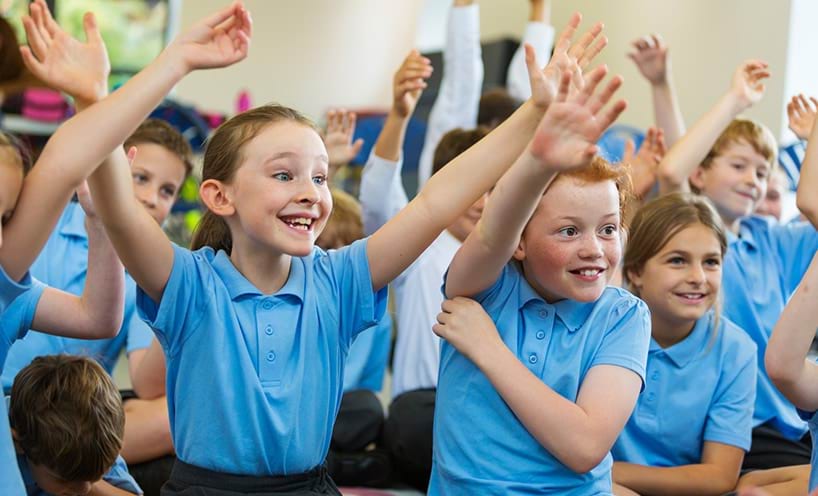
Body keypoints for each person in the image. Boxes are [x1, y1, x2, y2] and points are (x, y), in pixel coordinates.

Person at [360, 17, 608, 490]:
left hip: (500, 412)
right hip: (423, 412)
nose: (481, 201)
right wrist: (397, 117)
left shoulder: (525, 266)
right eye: (472, 189)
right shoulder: (423, 249)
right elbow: (379, 199)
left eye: (495, 190)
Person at [429, 63, 645, 494]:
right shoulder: (485, 286)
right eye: (569, 230)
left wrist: (490, 349)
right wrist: (536, 159)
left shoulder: (624, 315)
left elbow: (585, 446)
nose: (593, 248)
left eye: (607, 229)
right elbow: (492, 234)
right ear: (520, 243)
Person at [611, 192, 757, 496]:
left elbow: (719, 476)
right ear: (635, 271)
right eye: (677, 261)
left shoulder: (736, 350)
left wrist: (611, 473)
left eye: (711, 262)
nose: (698, 277)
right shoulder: (602, 332)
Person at [9, 355, 142, 495]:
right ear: (18, 444)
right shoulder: (20, 441)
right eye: (65, 480)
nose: (83, 490)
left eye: (95, 477)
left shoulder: (93, 444)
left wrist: (94, 485)